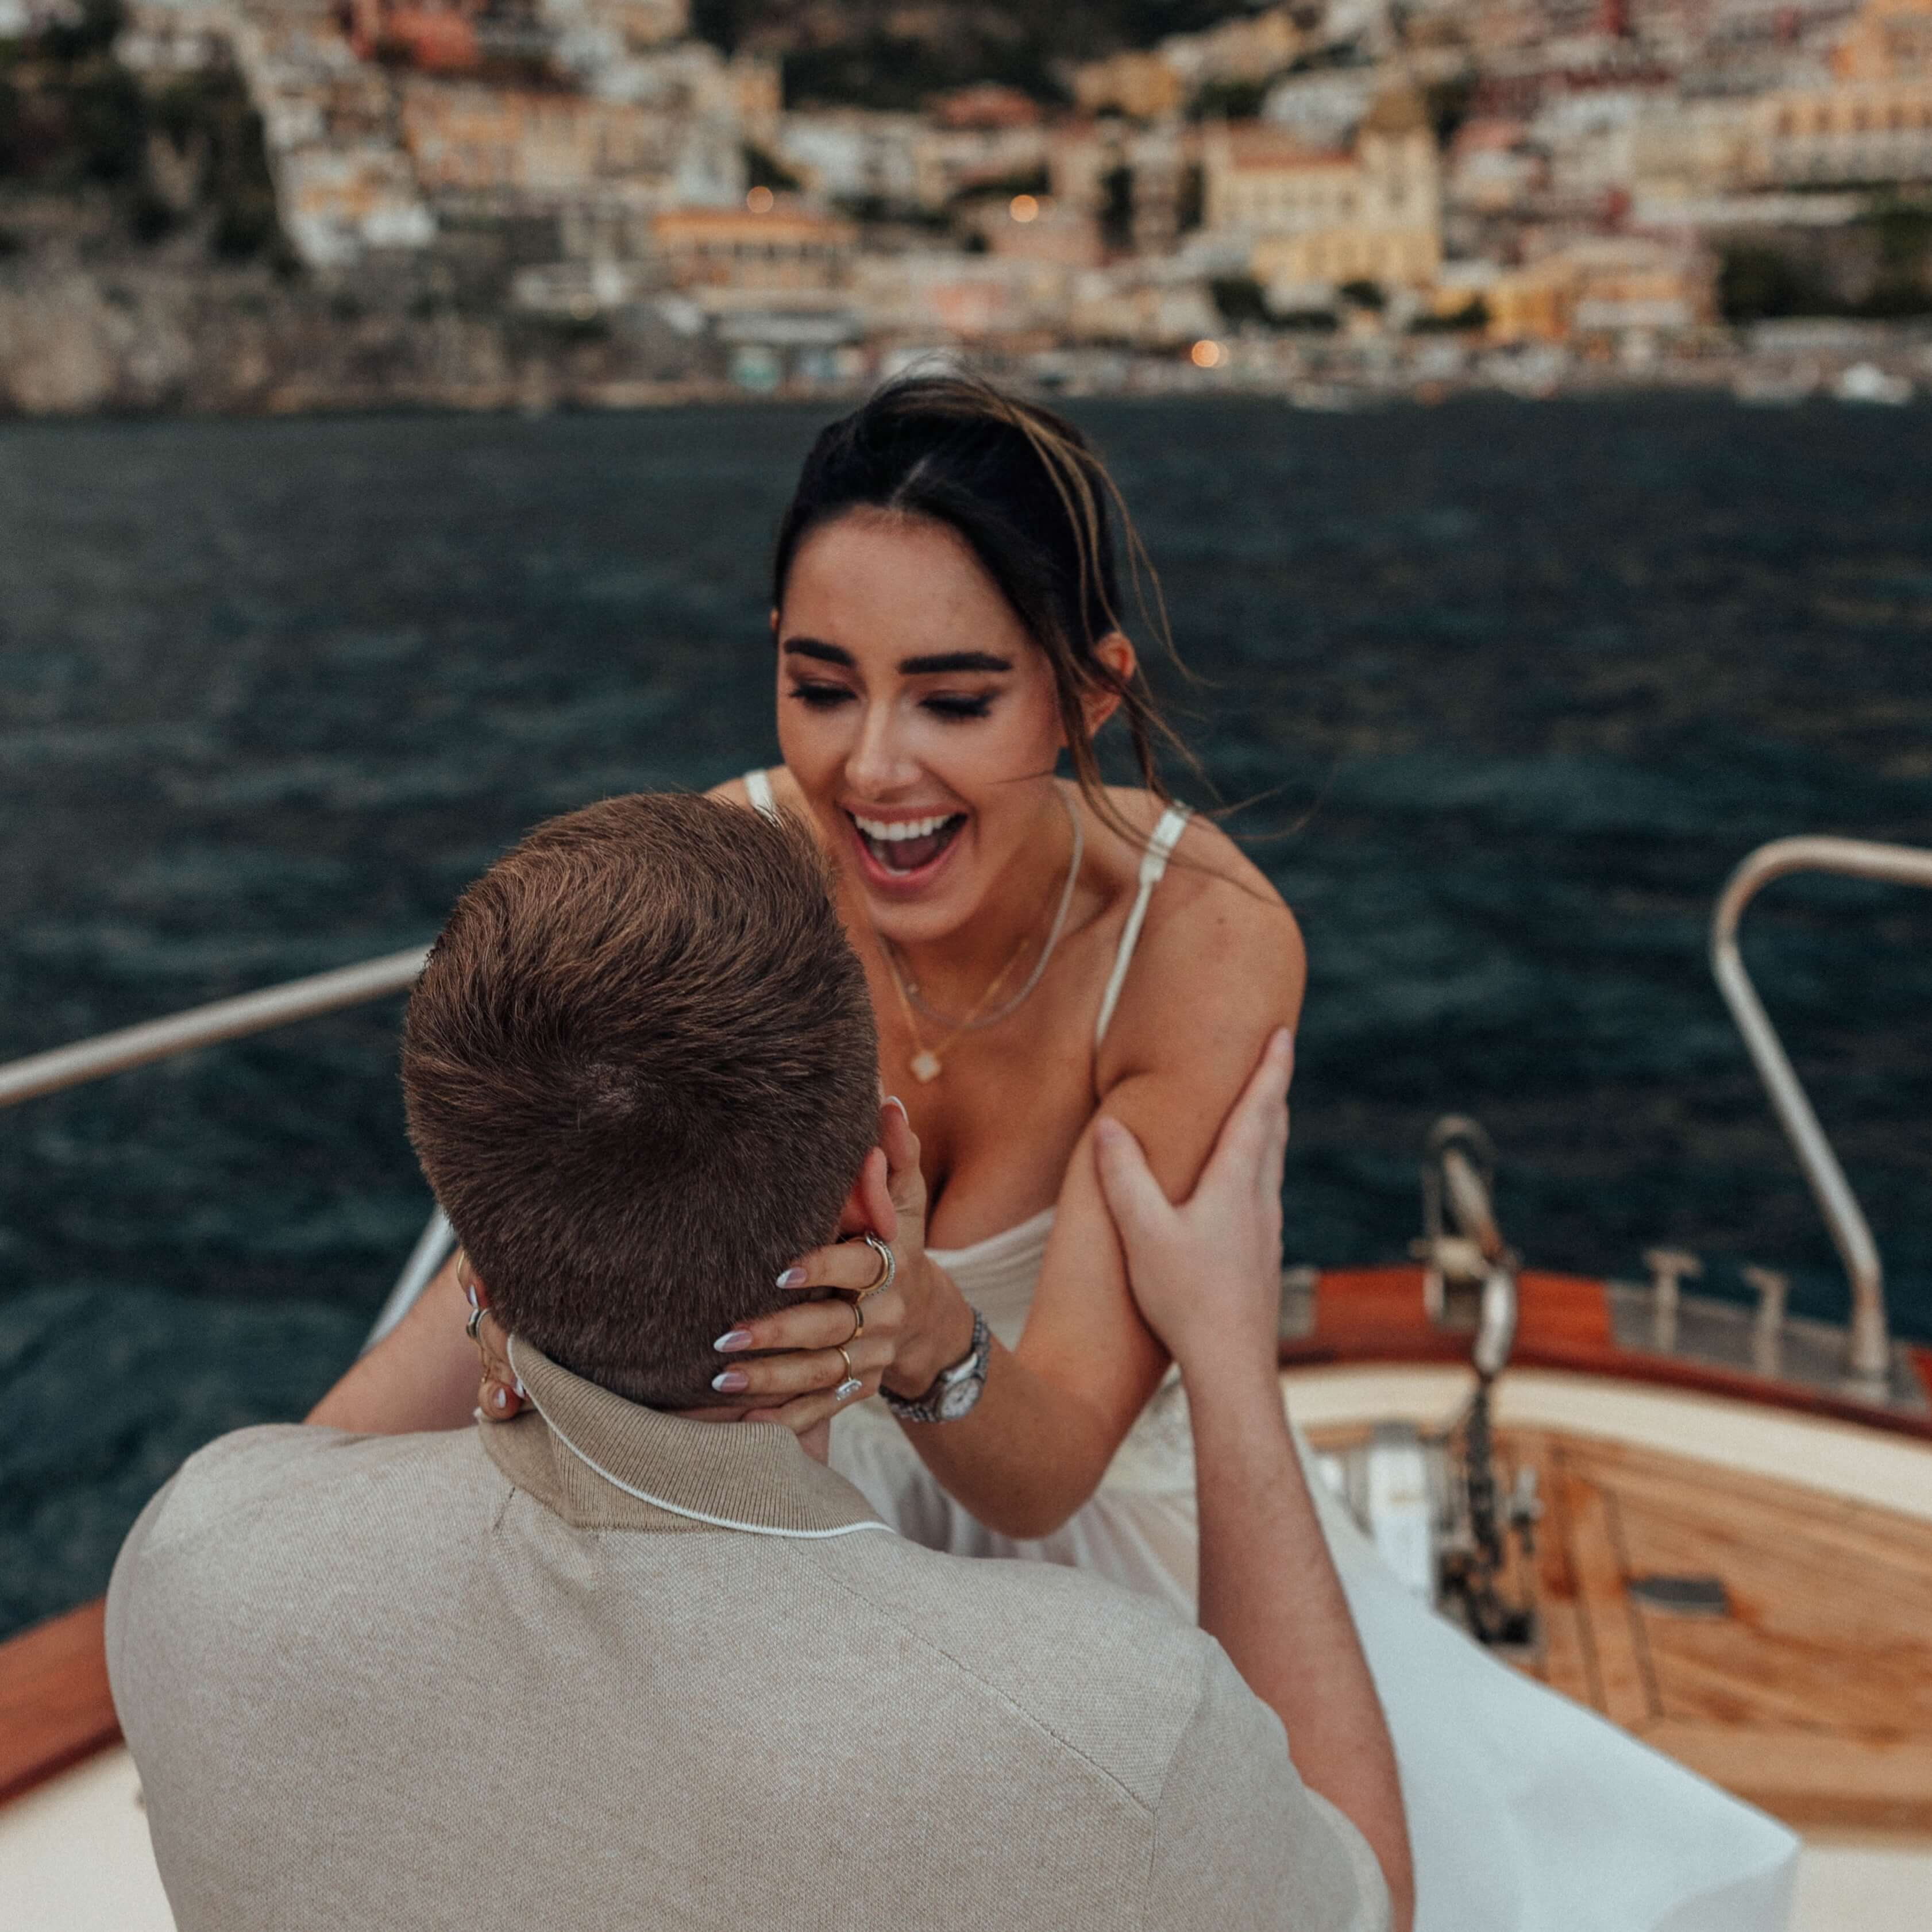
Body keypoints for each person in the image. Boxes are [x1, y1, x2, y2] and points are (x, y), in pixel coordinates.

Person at [313, 379, 1798, 1930]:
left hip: (1077, 1525)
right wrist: (303, 1503)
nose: (873, 768)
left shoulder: (1200, 944)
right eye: (821, 687)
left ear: (1085, 694)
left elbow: (1050, 1471)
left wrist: (918, 1324)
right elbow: (508, 1272)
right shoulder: (728, 869)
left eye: (953, 701)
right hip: (767, 1505)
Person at [105, 793, 1404, 1932]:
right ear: (870, 1194)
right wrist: (1226, 1350)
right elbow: (1367, 1899)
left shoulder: (197, 1562)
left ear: (477, 1258)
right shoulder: (1109, 1735)